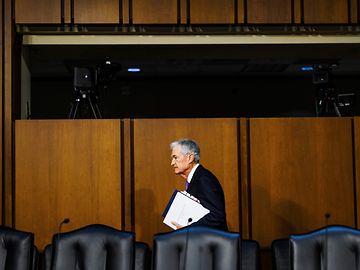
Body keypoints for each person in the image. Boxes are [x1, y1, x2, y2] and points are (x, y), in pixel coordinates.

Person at [169, 138, 228, 231]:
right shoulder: (196, 178)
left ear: (190, 158)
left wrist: (189, 229)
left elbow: (217, 216)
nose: (172, 163)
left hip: (211, 242)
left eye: (175, 157)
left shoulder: (204, 179)